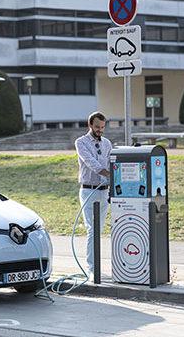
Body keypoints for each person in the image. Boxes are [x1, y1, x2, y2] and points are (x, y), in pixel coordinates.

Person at [74, 111, 112, 277]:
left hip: (104, 191)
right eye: (97, 127)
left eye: (102, 127)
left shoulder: (107, 143)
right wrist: (107, 173)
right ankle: (92, 268)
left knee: (100, 229)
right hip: (89, 190)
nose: (100, 130)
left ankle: (97, 266)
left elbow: (112, 162)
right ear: (90, 125)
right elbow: (90, 162)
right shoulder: (80, 142)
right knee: (92, 229)